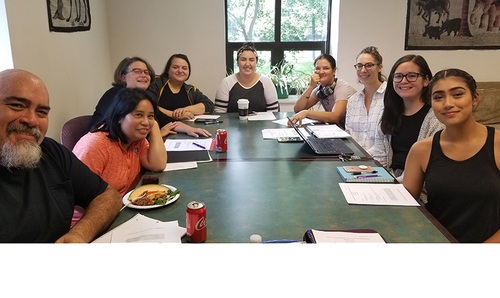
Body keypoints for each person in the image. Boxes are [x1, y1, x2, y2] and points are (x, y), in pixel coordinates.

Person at [0, 69, 122, 243]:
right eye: (17, 105)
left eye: (42, 112)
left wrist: (79, 234)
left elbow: (107, 196)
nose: (32, 120)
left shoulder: (51, 151)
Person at [403, 68, 500, 243]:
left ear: (475, 98)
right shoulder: (421, 150)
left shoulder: (498, 145)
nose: (447, 103)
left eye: (457, 94)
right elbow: (406, 207)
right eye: (438, 97)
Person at [74, 88, 167, 197]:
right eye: (138, 115)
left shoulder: (136, 139)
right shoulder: (95, 145)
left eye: (150, 116)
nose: (146, 122)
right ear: (119, 116)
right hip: (97, 211)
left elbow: (158, 165)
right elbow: (79, 196)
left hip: (124, 206)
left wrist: (154, 126)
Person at [90, 56, 211, 138]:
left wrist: (187, 128)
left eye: (146, 72)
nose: (143, 75)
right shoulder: (115, 95)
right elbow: (120, 131)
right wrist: (156, 133)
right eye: (137, 71)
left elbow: (162, 118)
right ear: (123, 77)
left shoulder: (142, 98)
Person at [374, 55, 444, 176]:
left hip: (419, 187)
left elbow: (431, 170)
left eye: (412, 76)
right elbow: (380, 156)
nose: (404, 81)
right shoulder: (388, 113)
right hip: (388, 179)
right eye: (398, 76)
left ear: (426, 80)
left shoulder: (436, 119)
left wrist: (393, 184)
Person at [289, 54, 356, 127]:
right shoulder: (321, 89)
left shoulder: (343, 88)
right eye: (317, 68)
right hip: (338, 129)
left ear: (334, 71)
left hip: (352, 131)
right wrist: (311, 87)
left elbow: (336, 117)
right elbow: (298, 109)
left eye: (326, 68)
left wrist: (307, 113)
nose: (321, 72)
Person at [148, 54, 214, 128]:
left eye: (184, 68)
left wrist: (185, 110)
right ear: (168, 70)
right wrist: (175, 114)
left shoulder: (191, 90)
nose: (180, 71)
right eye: (175, 67)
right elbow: (149, 105)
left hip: (185, 131)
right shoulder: (156, 83)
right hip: (159, 130)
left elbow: (209, 105)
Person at [344, 46, 387, 160]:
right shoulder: (353, 100)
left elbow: (387, 141)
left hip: (380, 164)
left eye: (369, 65)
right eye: (359, 66)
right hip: (354, 161)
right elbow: (349, 135)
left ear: (379, 68)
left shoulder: (390, 97)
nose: (363, 70)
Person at [214, 42, 279, 113]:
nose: (247, 64)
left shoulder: (266, 82)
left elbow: (274, 113)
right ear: (237, 62)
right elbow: (220, 113)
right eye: (243, 59)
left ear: (256, 62)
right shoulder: (226, 83)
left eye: (251, 60)